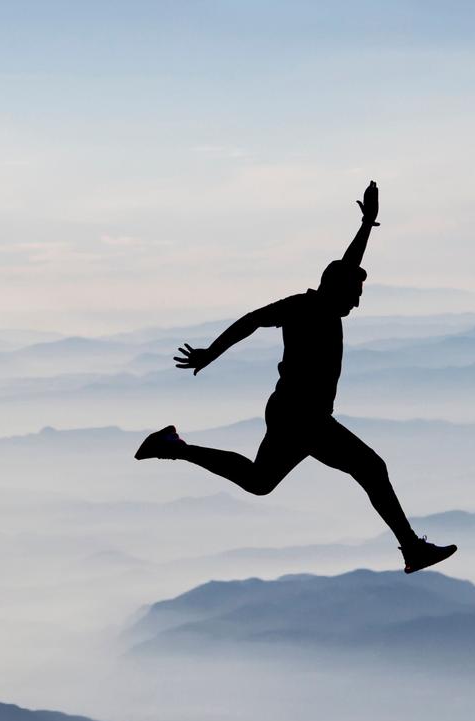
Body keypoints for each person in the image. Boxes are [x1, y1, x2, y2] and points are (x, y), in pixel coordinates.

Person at [134, 181, 457, 574]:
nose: (357, 302)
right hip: (302, 418)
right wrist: (210, 353)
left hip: (298, 414)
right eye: (354, 294)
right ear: (336, 290)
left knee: (260, 480)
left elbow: (346, 266)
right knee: (371, 468)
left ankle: (174, 446)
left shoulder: (324, 302)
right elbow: (251, 320)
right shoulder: (304, 308)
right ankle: (411, 549)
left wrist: (367, 223)